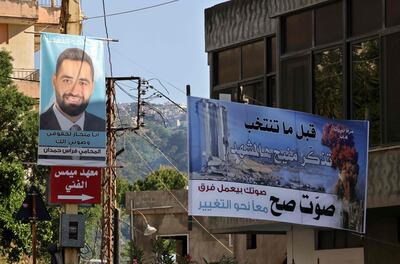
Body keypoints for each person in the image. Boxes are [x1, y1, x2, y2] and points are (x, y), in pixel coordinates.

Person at [40, 48, 105, 131]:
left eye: (82, 83)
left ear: (92, 87)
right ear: (54, 81)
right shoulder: (40, 125)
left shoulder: (101, 128)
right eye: (67, 81)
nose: (74, 92)